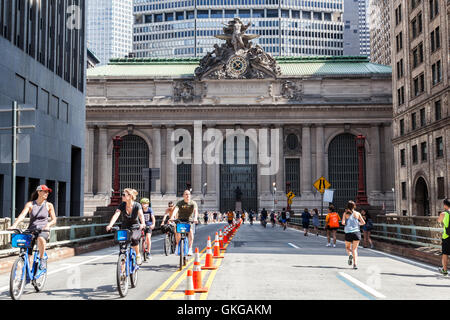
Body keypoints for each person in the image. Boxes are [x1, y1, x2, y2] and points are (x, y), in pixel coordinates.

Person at [9, 185, 57, 270]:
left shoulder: (49, 205)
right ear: (39, 192)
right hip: (31, 229)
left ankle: (42, 258)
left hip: (43, 230)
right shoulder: (30, 204)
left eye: (47, 192)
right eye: (45, 191)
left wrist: (48, 225)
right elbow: (22, 215)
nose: (47, 193)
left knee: (41, 238)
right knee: (28, 253)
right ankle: (27, 274)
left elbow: (54, 220)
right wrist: (15, 225)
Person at [106, 188, 146, 265]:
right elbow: (116, 214)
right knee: (122, 248)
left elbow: (141, 215)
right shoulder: (122, 205)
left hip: (135, 226)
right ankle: (122, 272)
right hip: (125, 226)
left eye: (124, 195)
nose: (122, 196)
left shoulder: (137, 205)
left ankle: (137, 255)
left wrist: (143, 223)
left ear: (130, 196)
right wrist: (110, 225)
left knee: (134, 239)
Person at [169, 190, 199, 256]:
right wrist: (172, 217)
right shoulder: (180, 203)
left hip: (189, 220)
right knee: (177, 231)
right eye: (186, 194)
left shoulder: (193, 203)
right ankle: (177, 246)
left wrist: (195, 218)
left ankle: (190, 248)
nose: (187, 196)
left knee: (190, 231)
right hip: (180, 219)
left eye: (188, 194)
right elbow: (175, 210)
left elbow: (195, 211)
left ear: (190, 195)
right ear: (183, 196)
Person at [341, 200, 365, 270]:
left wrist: (346, 224)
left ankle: (350, 255)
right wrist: (357, 224)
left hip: (348, 232)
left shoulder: (345, 213)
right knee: (355, 249)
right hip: (356, 233)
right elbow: (363, 222)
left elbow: (342, 222)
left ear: (347, 206)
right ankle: (355, 264)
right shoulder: (357, 213)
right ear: (354, 206)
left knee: (348, 247)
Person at [437, 199, 450, 276]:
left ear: (445, 205)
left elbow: (439, 221)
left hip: (447, 236)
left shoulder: (443, 214)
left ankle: (445, 271)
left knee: (445, 254)